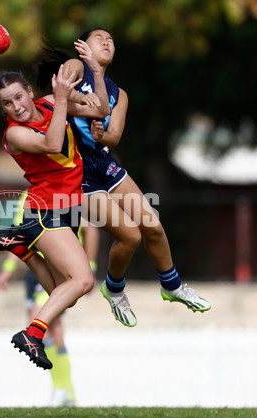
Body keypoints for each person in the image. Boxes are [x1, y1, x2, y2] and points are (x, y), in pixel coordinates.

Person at [36, 27, 211, 328]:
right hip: (78, 172)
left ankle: (172, 286)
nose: (106, 41)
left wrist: (103, 134)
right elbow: (65, 94)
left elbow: (114, 135)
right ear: (82, 46)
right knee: (130, 235)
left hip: (104, 165)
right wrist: (85, 96)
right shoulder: (77, 67)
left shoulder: (121, 94)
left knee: (153, 226)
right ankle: (115, 289)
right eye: (98, 38)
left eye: (111, 39)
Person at [0, 40, 110, 370]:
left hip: (66, 208)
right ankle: (32, 333)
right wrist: (63, 99)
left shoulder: (49, 105)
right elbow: (52, 142)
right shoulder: (14, 134)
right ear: (3, 108)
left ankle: (22, 249)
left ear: (30, 92)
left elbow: (102, 110)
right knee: (84, 282)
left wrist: (98, 73)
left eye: (18, 97)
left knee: (66, 293)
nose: (15, 106)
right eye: (7, 103)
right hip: (44, 212)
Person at [0, 191, 99, 406]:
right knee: (55, 330)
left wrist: (90, 266)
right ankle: (65, 391)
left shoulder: (67, 191)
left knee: (40, 320)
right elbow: (19, 235)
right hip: (35, 270)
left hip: (60, 266)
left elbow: (91, 228)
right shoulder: (26, 197)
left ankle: (62, 389)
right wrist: (7, 270)